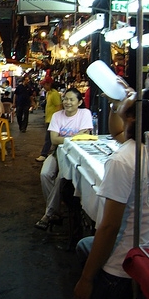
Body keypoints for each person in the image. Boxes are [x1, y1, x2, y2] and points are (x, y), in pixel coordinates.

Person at [73, 84, 149, 299]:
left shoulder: (124, 159)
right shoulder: (139, 147)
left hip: (121, 266)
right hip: (144, 251)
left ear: (134, 117)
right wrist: (120, 104)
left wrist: (86, 279)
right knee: (85, 244)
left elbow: (109, 227)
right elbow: (117, 131)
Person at [34, 87, 93, 231]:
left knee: (61, 178)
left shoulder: (85, 113)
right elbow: (54, 140)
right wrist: (76, 136)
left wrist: (64, 138)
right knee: (45, 174)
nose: (67, 102)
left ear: (79, 102)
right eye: (65, 99)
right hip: (57, 152)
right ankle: (55, 211)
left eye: (71, 99)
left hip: (75, 156)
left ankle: (49, 214)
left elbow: (64, 138)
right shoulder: (57, 116)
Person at [35, 76, 63, 162]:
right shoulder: (49, 93)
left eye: (45, 85)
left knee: (48, 139)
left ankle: (44, 154)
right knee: (50, 138)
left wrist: (58, 120)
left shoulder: (54, 94)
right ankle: (53, 154)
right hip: (49, 119)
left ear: (49, 84)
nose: (44, 86)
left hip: (53, 120)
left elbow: (59, 107)